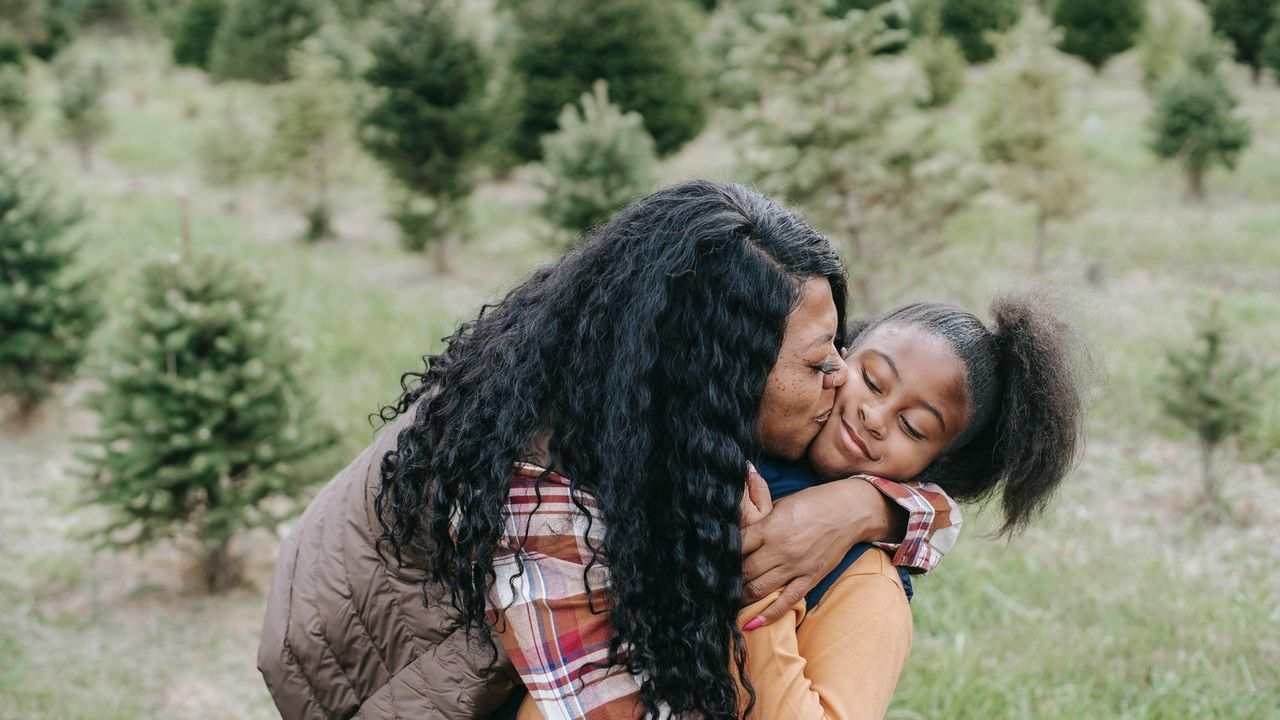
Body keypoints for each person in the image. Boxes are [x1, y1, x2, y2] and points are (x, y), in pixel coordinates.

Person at [257, 180, 959, 720]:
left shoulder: (626, 392)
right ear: (718, 376)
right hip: (377, 690)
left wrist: (874, 507)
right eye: (817, 363)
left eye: (842, 344)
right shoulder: (542, 500)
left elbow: (940, 504)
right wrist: (762, 611)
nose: (842, 379)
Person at [732, 295, 1085, 719]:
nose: (875, 416)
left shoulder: (867, 586)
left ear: (938, 462)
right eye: (874, 381)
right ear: (840, 352)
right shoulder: (759, 415)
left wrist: (761, 600)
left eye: (913, 427)